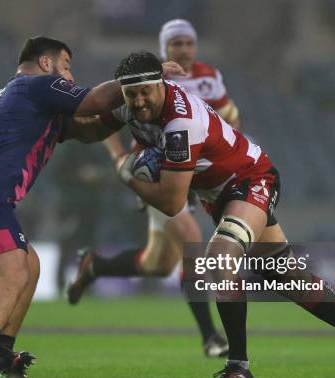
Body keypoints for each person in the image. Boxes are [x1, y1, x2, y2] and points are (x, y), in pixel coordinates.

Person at [70, 51, 335, 378]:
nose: (138, 101)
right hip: (220, 194)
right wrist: (58, 129)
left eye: (145, 92)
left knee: (219, 257)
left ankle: (238, 367)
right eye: (130, 94)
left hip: (250, 178)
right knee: (284, 274)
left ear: (161, 85)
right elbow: (92, 128)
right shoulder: (133, 103)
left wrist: (126, 173)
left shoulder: (179, 123)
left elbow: (171, 202)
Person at [0, 36, 184, 378]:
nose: (69, 74)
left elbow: (91, 129)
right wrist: (146, 74)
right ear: (47, 64)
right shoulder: (37, 86)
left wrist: (128, 112)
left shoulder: (27, 100)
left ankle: (2, 356)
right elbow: (95, 99)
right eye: (66, 65)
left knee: (29, 266)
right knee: (12, 272)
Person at [67, 19, 240, 357]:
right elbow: (106, 116)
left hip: (195, 173)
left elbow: (230, 115)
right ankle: (211, 337)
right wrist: (119, 156)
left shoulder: (209, 78)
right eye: (176, 44)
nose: (184, 50)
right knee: (192, 241)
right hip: (158, 174)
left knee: (158, 264)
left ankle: (95, 265)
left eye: (189, 43)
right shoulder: (143, 82)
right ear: (165, 49)